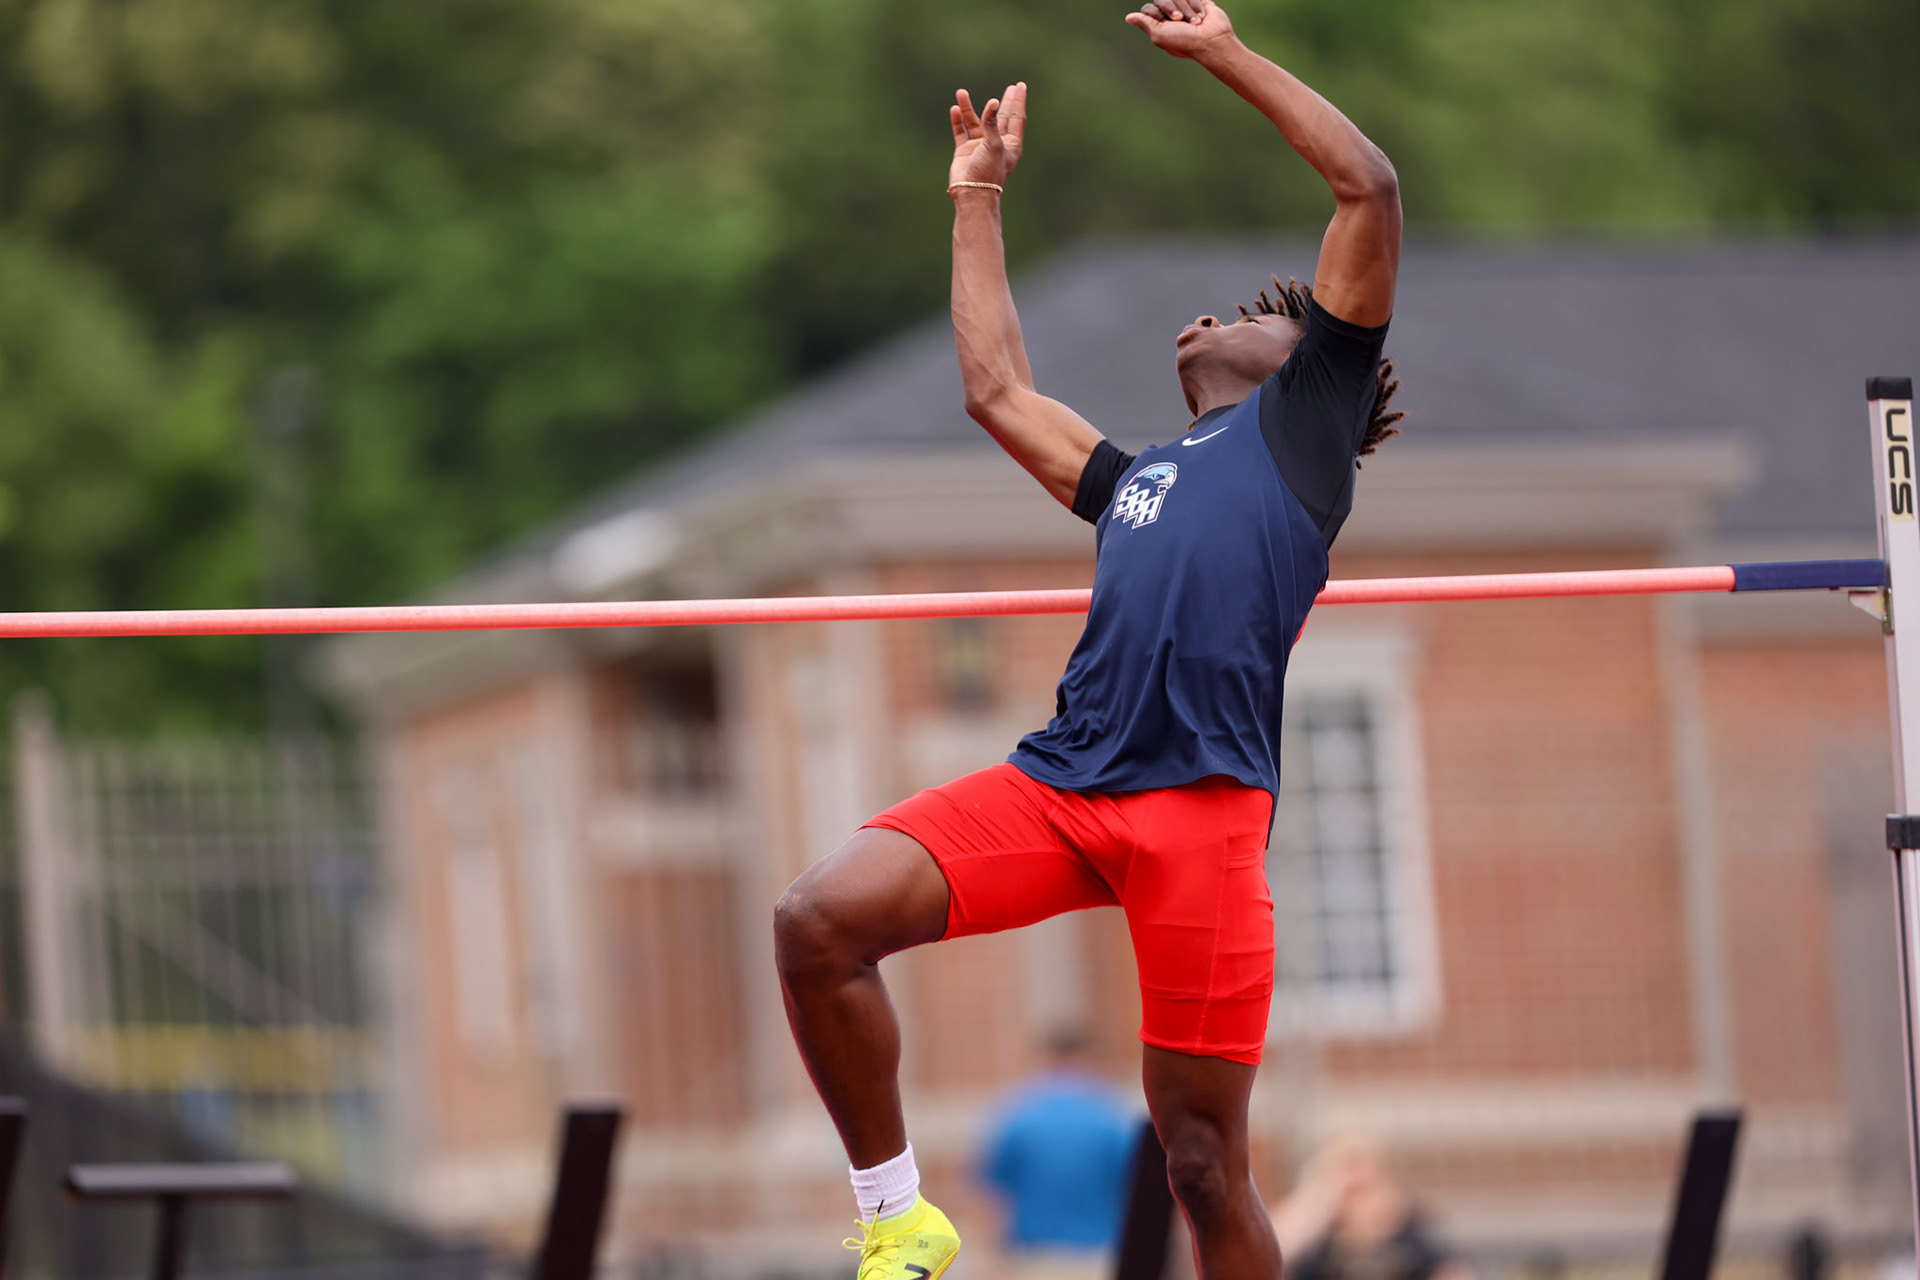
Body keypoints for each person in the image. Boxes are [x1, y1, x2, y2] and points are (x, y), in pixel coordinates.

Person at [772, 1, 1404, 1276]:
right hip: (1062, 785)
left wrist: (1224, 55)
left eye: (1245, 311)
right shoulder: (1141, 476)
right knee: (817, 920)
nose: (1210, 315)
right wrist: (973, 199)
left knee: (1201, 1161)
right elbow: (996, 388)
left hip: (1200, 816)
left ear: (1302, 355)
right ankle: (898, 1217)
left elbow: (1367, 184)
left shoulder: (1311, 422)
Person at [978, 1029, 1140, 1279]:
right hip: (1098, 1258)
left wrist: (993, 1258)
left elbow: (992, 1195)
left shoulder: (1019, 1115)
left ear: (1049, 1057)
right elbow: (1136, 1194)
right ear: (1089, 1058)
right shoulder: (1113, 1117)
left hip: (1033, 1261)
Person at [1272, 1138, 1475, 1280]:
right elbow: (1271, 1254)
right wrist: (1315, 1201)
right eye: (1352, 1190)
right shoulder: (1318, 1246)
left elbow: (1454, 1272)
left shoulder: (1413, 1238)